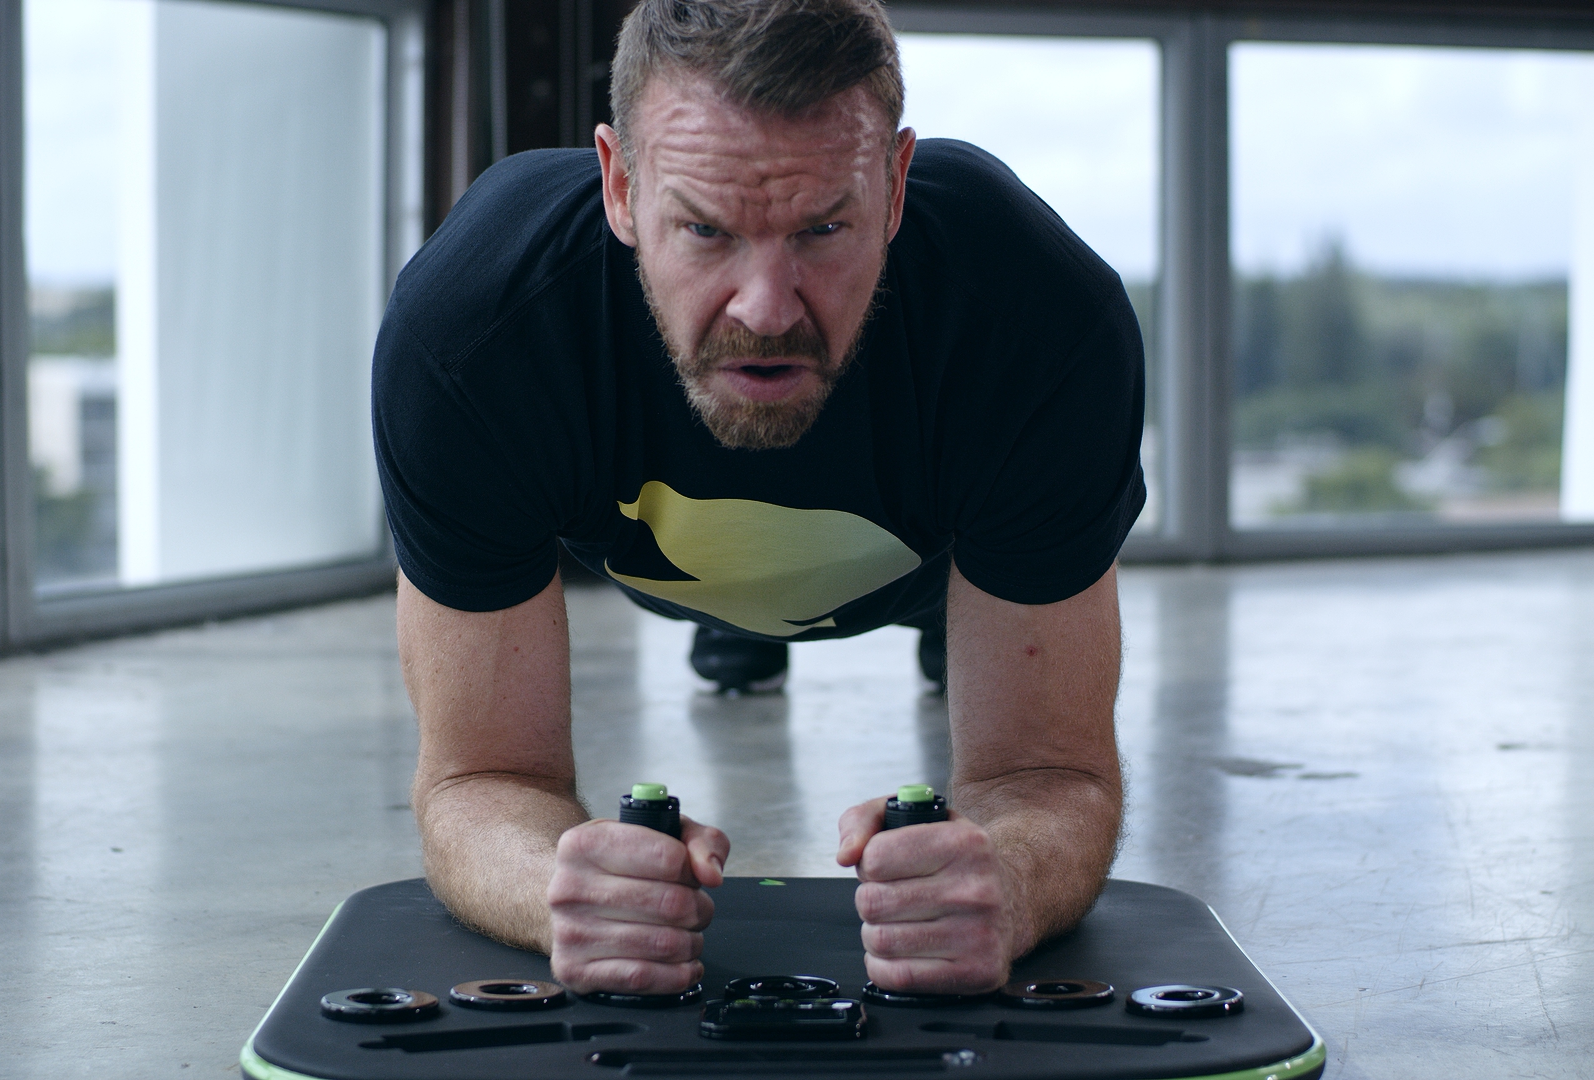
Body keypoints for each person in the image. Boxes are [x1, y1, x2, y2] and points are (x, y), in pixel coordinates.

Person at [373, 0, 1145, 997]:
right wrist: (556, 881)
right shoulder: (475, 333)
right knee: (734, 619)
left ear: (898, 187)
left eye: (825, 228)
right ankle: (744, 633)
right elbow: (481, 779)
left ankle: (938, 629)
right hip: (664, 553)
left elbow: (1049, 776)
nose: (767, 309)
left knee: (968, 631)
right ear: (617, 185)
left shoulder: (1040, 316)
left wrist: (1011, 875)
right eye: (705, 229)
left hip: (935, 554)